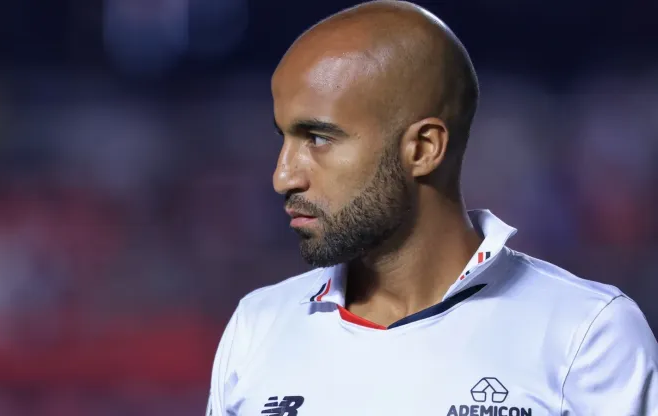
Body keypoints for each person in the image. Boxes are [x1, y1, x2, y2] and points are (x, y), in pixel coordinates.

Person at [206, 1, 658, 415]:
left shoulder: (588, 333)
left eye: (318, 138)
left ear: (423, 149)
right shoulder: (257, 326)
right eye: (283, 137)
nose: (283, 176)